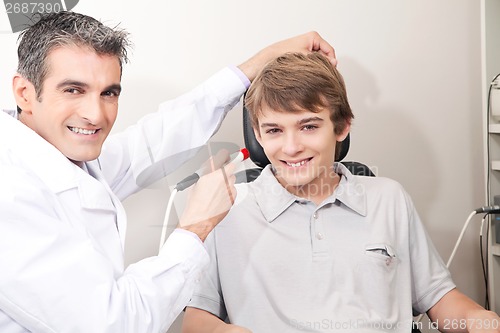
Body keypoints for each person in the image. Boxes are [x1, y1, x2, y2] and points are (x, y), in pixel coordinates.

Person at [0, 11, 338, 333]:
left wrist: (254, 66)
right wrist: (196, 227)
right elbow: (115, 325)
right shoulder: (11, 195)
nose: (95, 114)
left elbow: (152, 141)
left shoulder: (61, 152)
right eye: (73, 90)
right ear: (24, 93)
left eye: (109, 93)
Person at [182, 52, 500, 333]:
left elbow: (440, 300)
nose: (291, 148)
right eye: (275, 130)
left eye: (308, 126)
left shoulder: (389, 199)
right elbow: (197, 320)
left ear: (342, 126)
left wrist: (481, 320)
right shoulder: (227, 209)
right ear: (257, 134)